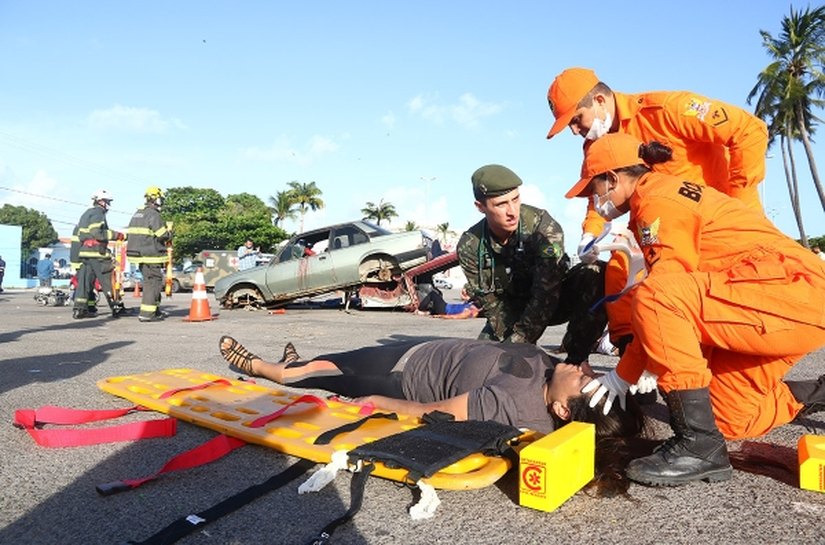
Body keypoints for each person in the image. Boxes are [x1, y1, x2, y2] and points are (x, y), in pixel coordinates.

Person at [572, 133, 825, 487]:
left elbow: (664, 297)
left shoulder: (658, 201)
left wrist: (624, 374)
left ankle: (698, 444)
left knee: (656, 294)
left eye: (593, 189)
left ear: (613, 178)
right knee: (730, 417)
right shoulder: (658, 196)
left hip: (792, 294)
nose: (593, 201)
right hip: (773, 301)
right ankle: (815, 393)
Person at [218, 334, 649, 495]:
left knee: (323, 373)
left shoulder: (512, 408)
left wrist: (379, 404)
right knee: (331, 362)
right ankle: (298, 364)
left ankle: (264, 369)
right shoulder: (553, 378)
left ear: (560, 408)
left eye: (582, 381)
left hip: (404, 373)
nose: (584, 369)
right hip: (424, 350)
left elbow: (430, 412)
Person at [545, 67, 769, 356]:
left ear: (600, 100)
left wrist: (739, 202)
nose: (575, 131)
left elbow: (749, 130)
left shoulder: (666, 110)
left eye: (577, 120)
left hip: (717, 227)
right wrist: (590, 232)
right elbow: (597, 190)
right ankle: (634, 365)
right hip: (660, 229)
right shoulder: (595, 145)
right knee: (618, 272)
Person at [456, 164, 606, 363]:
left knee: (595, 272)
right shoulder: (470, 245)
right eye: (501, 204)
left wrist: (519, 342)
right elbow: (490, 303)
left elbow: (546, 294)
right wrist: (509, 345)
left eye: (516, 199)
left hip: (555, 302)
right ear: (480, 207)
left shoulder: (543, 227)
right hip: (510, 314)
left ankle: (576, 360)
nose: (512, 211)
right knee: (479, 363)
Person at [72, 189, 126, 319]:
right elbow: (97, 233)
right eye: (107, 202)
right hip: (97, 252)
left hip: (85, 253)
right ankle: (116, 307)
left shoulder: (86, 213)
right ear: (101, 202)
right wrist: (116, 235)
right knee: (108, 280)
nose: (108, 205)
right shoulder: (98, 213)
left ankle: (79, 309)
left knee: (84, 283)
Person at [127, 186, 174, 322]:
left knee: (150, 281)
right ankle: (147, 314)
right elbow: (162, 235)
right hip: (151, 254)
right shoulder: (154, 214)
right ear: (156, 199)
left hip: (138, 254)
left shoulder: (137, 214)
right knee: (153, 283)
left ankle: (155, 310)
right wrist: (170, 233)